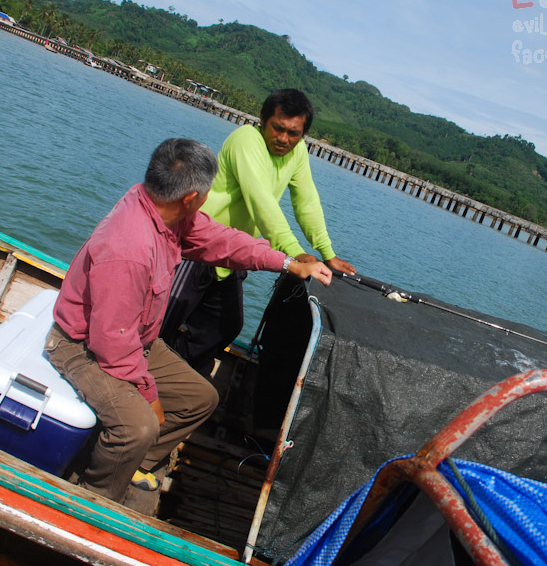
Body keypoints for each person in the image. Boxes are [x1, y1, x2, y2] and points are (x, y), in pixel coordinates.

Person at [44, 138, 331, 501]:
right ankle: (91, 496)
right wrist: (148, 394)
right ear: (190, 197)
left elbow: (220, 241)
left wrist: (287, 262)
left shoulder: (164, 211)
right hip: (82, 345)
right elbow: (112, 345)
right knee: (139, 426)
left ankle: (131, 462)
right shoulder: (130, 248)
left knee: (200, 398)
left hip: (136, 341)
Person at [161, 89, 356, 374]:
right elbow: (261, 202)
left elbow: (306, 200)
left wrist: (328, 253)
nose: (284, 139)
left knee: (225, 326)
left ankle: (169, 379)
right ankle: (141, 381)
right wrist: (298, 255)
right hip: (197, 248)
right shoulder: (246, 140)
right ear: (263, 120)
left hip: (231, 253)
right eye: (278, 128)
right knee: (160, 319)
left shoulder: (297, 152)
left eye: (294, 133)